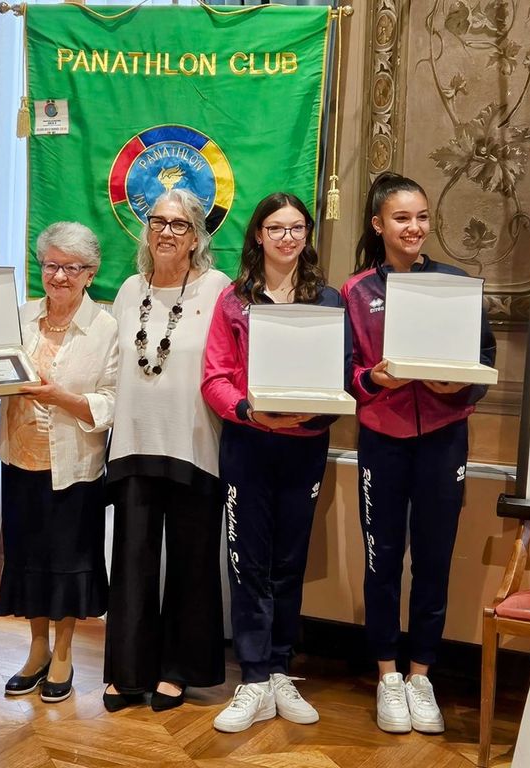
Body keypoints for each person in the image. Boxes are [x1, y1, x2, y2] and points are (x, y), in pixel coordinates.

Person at [342, 172, 495, 734]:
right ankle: (387, 675)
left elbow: (483, 356)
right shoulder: (357, 291)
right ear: (379, 224)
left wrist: (460, 387)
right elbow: (345, 370)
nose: (414, 227)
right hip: (382, 440)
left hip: (444, 438)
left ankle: (421, 676)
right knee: (382, 559)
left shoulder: (455, 284)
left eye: (422, 217)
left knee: (434, 559)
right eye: (402, 218)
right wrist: (373, 380)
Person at [202, 193, 351, 732]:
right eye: (276, 228)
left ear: (307, 235)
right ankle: (254, 678)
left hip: (304, 446)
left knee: (289, 563)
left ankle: (281, 669)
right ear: (258, 236)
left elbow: (343, 372)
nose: (287, 238)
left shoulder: (328, 300)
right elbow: (215, 378)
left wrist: (313, 415)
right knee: (248, 564)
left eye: (296, 228)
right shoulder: (233, 300)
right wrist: (248, 411)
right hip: (247, 445)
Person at [103, 189, 230, 712]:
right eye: (158, 221)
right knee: (131, 560)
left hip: (194, 442)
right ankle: (128, 672)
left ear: (197, 236)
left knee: (191, 562)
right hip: (134, 443)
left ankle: (178, 670)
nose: (167, 232)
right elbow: (114, 365)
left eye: (179, 225)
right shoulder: (130, 289)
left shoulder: (218, 288)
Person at [0, 222, 117, 703]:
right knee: (28, 561)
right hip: (18, 458)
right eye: (51, 265)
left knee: (67, 565)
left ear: (90, 273)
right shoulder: (21, 317)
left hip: (74, 469)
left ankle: (63, 653)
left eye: (71, 267)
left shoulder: (106, 329)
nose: (59, 276)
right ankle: (36, 650)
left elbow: (112, 402)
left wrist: (61, 397)